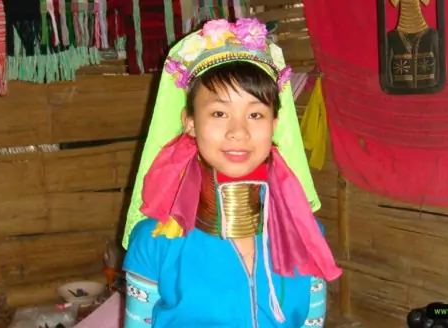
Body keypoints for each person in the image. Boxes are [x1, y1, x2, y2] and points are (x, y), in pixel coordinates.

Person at [121, 17, 341, 328]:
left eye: (255, 114)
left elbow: (312, 324)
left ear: (274, 126)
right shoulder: (155, 240)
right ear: (190, 123)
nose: (238, 131)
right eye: (219, 113)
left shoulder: (307, 236)